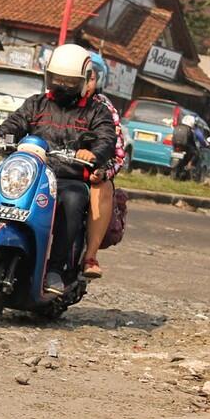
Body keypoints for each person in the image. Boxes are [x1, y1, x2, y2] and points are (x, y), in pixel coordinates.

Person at [0, 44, 117, 294]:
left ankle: (55, 269)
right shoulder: (36, 104)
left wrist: (93, 153)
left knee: (73, 201)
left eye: (69, 81)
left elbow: (106, 138)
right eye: (57, 79)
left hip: (68, 177)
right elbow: (17, 122)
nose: (62, 85)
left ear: (85, 81)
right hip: (33, 172)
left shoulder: (97, 111)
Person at [81, 51, 126, 279]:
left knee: (102, 188)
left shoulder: (104, 108)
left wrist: (102, 171)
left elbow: (117, 152)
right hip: (52, 168)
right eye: (82, 76)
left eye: (91, 77)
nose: (86, 83)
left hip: (86, 173)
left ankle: (90, 256)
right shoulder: (46, 100)